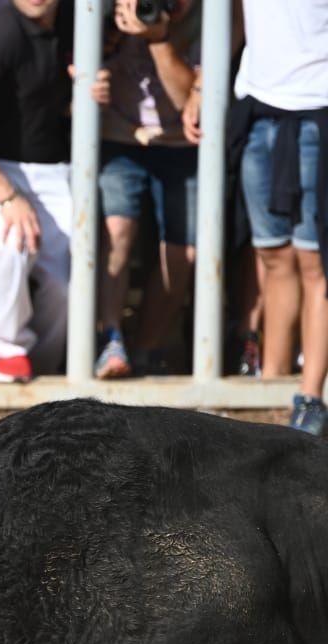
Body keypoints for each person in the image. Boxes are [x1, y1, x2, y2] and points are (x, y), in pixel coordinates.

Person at [0, 0, 105, 383]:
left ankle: (41, 366)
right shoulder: (1, 32)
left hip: (58, 171)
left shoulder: (81, 24)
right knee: (9, 243)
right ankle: (8, 349)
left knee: (69, 282)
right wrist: (7, 195)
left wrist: (97, 91)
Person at [187, 0, 327, 433]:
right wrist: (201, 88)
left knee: (315, 263)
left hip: (317, 110)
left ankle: (310, 397)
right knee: (273, 258)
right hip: (257, 111)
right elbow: (231, 19)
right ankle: (273, 389)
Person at [94, 0, 200, 378]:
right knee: (116, 232)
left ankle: (147, 348)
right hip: (119, 138)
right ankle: (111, 340)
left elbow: (184, 98)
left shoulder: (213, 17)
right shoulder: (110, 11)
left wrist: (159, 38)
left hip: (184, 145)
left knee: (183, 253)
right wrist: (109, 36)